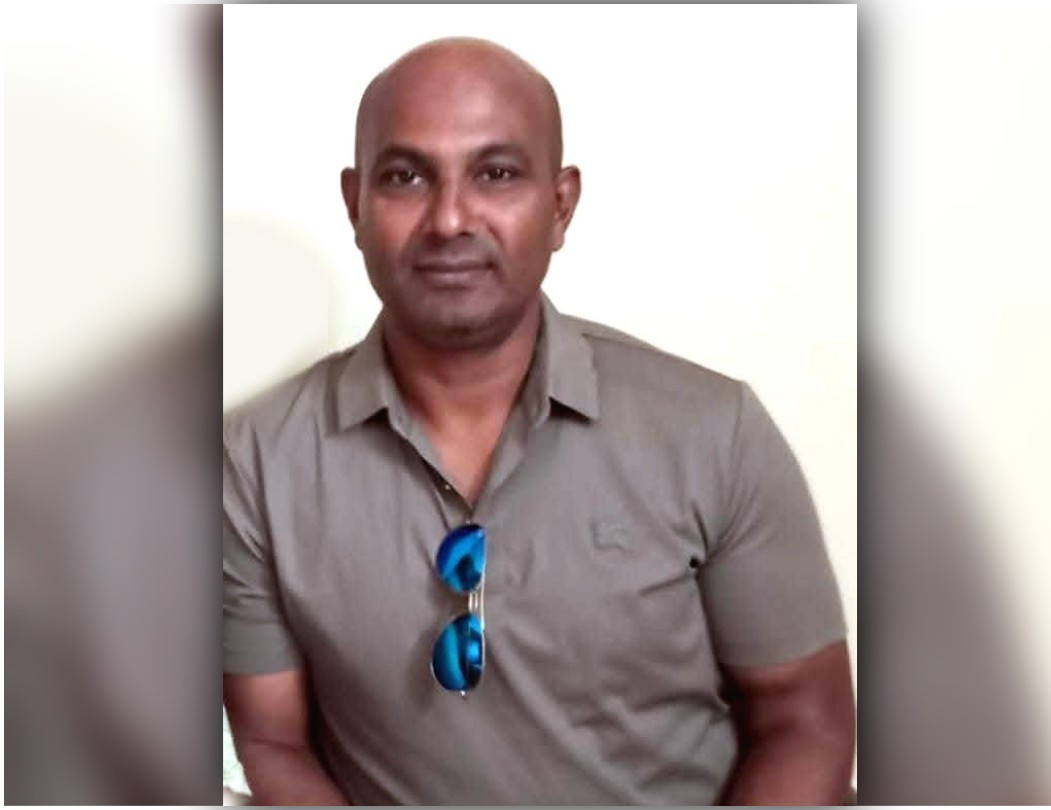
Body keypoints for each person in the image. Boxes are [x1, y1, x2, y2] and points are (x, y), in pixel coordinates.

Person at [223, 36, 855, 805]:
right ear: (355, 204)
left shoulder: (713, 433)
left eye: (495, 173)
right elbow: (272, 739)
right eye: (405, 176)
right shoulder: (255, 461)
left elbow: (806, 721)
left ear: (560, 206)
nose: (450, 218)